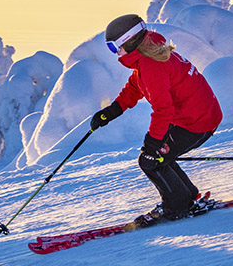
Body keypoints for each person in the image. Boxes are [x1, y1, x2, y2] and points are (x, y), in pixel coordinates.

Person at [91, 14, 223, 226]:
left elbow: (163, 110)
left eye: (114, 47)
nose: (115, 53)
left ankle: (178, 205)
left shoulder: (150, 63)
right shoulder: (149, 53)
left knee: (150, 160)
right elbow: (135, 86)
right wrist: (114, 110)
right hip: (199, 115)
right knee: (158, 157)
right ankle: (187, 197)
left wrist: (152, 144)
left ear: (129, 41)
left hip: (197, 122)